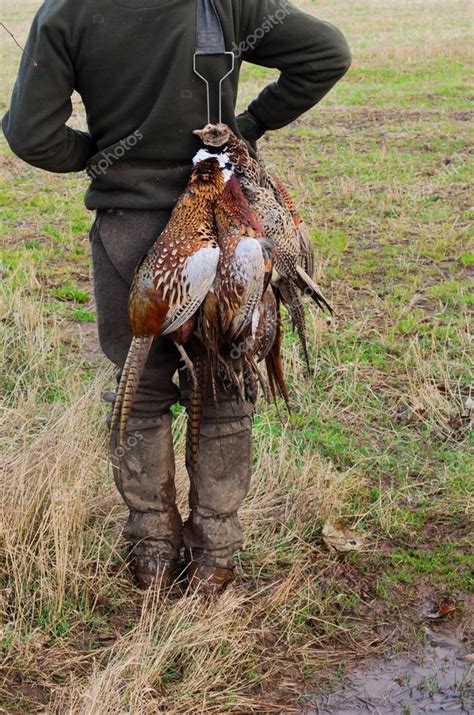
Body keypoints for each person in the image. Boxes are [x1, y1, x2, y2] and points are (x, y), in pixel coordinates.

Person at [2, 0, 351, 594]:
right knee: (225, 385)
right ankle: (215, 559)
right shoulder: (229, 1)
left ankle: (151, 556)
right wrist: (245, 127)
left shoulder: (67, 11)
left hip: (128, 230)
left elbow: (31, 135)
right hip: (227, 231)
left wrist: (99, 157)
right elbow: (326, 55)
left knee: (138, 393)